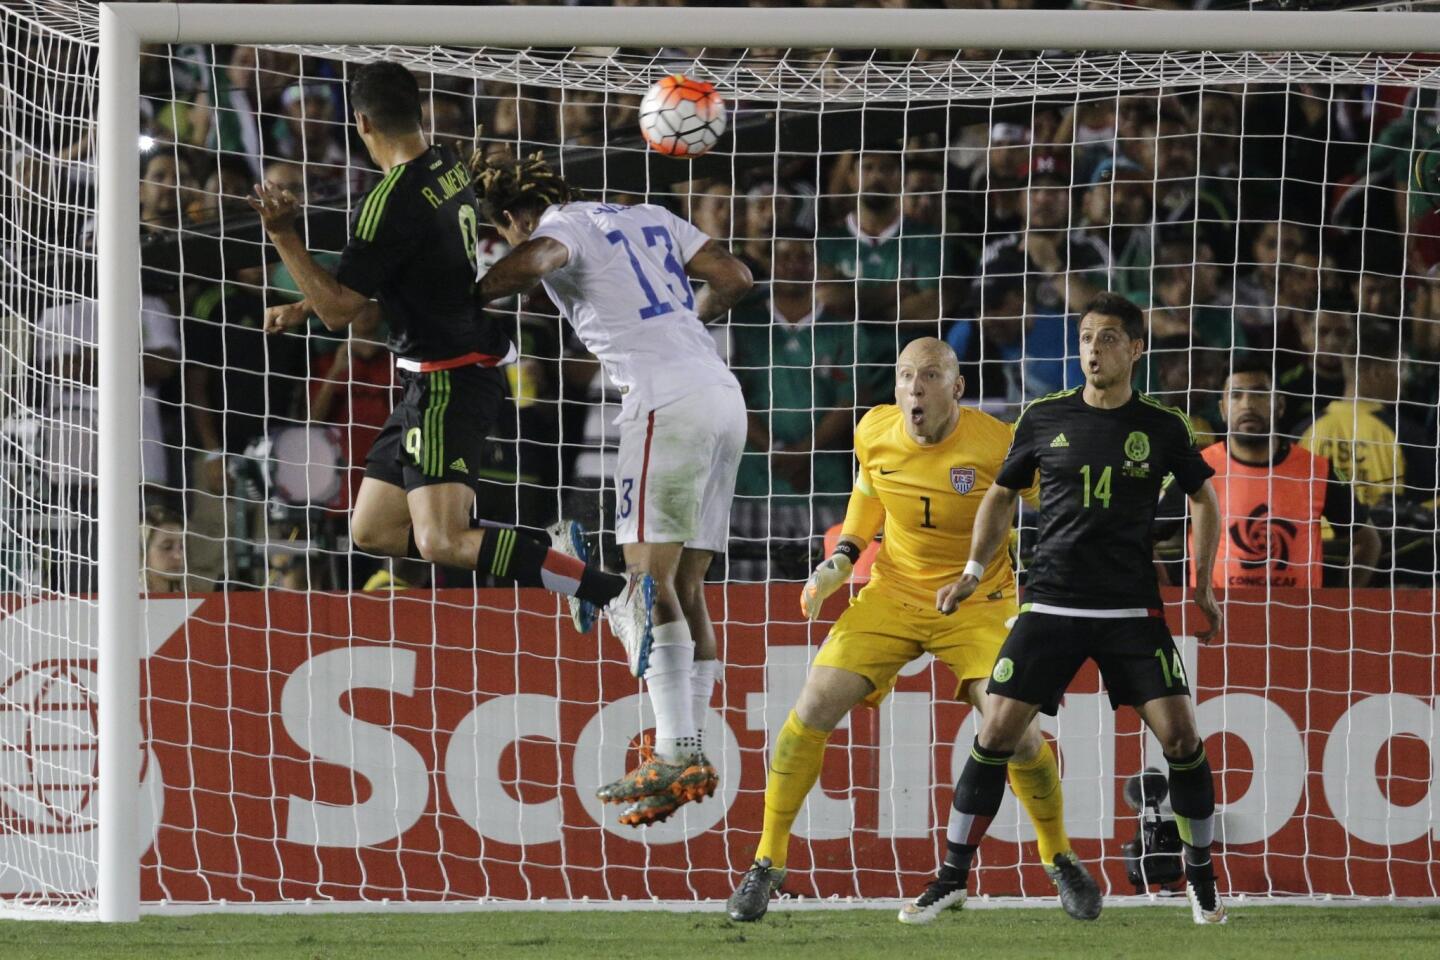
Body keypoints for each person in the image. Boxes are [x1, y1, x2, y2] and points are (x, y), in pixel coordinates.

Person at [248, 62, 645, 633]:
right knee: (374, 532)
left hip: (447, 379)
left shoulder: (386, 202)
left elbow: (342, 312)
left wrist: (284, 235)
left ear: (359, 122)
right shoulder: (446, 167)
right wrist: (302, 304)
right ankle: (554, 556)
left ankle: (609, 591)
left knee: (439, 540)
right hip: (429, 376)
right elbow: (394, 276)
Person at [724, 338, 1099, 925]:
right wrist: (842, 559)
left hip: (979, 602)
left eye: (929, 376)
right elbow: (869, 492)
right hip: (893, 594)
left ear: (958, 387)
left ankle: (1060, 859)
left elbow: (1052, 504)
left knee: (1016, 733)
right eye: (904, 376)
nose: (914, 388)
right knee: (811, 706)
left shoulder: (996, 443)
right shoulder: (874, 429)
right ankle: (767, 862)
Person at [917, 292, 1229, 925]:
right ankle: (951, 877)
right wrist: (974, 572)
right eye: (1087, 337)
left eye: (1109, 338)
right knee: (995, 732)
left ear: (1136, 349)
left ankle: (1200, 878)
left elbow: (1204, 499)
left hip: (1130, 611)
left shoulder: (1164, 427)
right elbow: (1001, 496)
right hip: (1051, 605)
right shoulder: (1041, 417)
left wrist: (1200, 584)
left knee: (1183, 737)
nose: (1093, 349)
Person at [470, 151, 754, 826]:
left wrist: (474, 291)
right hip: (721, 395)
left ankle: (677, 751)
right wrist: (690, 323)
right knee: (685, 586)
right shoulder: (648, 214)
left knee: (643, 584)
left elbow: (538, 260)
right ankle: (688, 749)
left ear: (513, 217)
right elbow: (735, 276)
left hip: (663, 401)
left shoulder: (561, 226)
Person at [1186, 356, 1379, 589]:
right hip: (1220, 620)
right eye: (1236, 395)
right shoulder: (1196, 468)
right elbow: (1148, 536)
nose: (1247, 404)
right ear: (1223, 409)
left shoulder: (1316, 470)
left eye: (1259, 393)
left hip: (1297, 619)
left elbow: (1367, 542)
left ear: (1279, 405)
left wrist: (1340, 603)